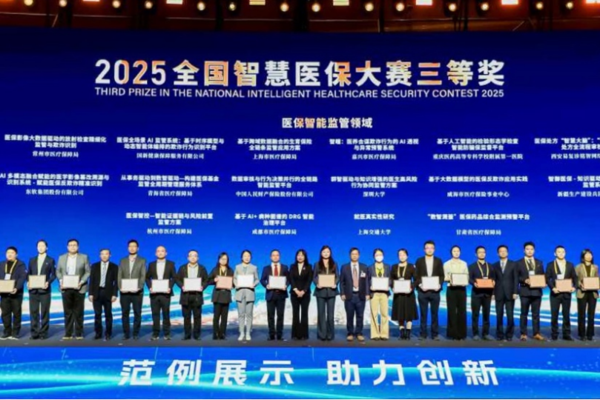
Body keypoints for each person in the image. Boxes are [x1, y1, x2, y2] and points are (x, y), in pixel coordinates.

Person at [57, 239, 90, 340]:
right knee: (68, 312)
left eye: (74, 245)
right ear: (67, 247)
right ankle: (68, 333)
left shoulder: (84, 257)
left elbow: (88, 272)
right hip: (65, 288)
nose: (72, 247)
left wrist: (81, 282)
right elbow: (58, 271)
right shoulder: (61, 257)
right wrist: (61, 281)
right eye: (70, 245)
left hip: (79, 288)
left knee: (78, 312)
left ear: (78, 247)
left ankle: (79, 333)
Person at [415, 240, 444, 340]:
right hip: (422, 291)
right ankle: (423, 334)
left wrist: (439, 285)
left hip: (435, 292)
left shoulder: (438, 261)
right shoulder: (419, 261)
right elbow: (416, 276)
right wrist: (420, 285)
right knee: (423, 314)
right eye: (427, 248)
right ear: (424, 249)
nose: (429, 250)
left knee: (434, 314)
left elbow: (441, 275)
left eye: (431, 248)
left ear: (434, 249)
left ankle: (435, 334)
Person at [117, 240, 147, 340]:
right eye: (130, 246)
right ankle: (126, 333)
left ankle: (135, 333)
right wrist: (120, 287)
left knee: (137, 313)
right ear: (127, 248)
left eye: (134, 246)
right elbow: (119, 275)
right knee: (125, 313)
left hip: (137, 292)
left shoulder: (142, 260)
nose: (132, 248)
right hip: (124, 292)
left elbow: (143, 275)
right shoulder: (122, 260)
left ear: (137, 248)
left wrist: (139, 287)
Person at [176, 250, 208, 341]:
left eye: (195, 256)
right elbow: (177, 279)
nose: (193, 257)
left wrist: (202, 287)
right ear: (188, 257)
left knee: (197, 317)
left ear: (198, 257)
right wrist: (182, 286)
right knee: (186, 317)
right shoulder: (182, 268)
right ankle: (187, 334)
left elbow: (206, 280)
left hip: (197, 296)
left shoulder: (202, 268)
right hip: (186, 295)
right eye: (191, 256)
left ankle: (197, 335)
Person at [545, 245, 576, 341]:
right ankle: (554, 334)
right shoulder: (550, 264)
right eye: (558, 252)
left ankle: (566, 334)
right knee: (554, 315)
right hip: (555, 293)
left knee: (566, 315)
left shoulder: (570, 264)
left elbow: (575, 278)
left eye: (563, 252)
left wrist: (574, 287)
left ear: (565, 253)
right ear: (555, 253)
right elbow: (547, 278)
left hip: (566, 293)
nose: (561, 253)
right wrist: (552, 288)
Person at [27, 239, 56, 340]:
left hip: (45, 291)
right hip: (33, 291)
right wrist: (28, 282)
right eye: (39, 246)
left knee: (44, 312)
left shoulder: (50, 260)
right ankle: (34, 333)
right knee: (33, 312)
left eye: (43, 246)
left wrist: (48, 282)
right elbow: (28, 274)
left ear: (46, 248)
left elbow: (54, 274)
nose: (40, 247)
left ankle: (43, 333)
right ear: (36, 248)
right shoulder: (32, 260)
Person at [147, 246, 176, 341]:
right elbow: (147, 277)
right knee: (155, 314)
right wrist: (150, 287)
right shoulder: (151, 264)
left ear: (166, 253)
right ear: (156, 253)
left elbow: (174, 277)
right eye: (158, 251)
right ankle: (155, 333)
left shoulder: (171, 264)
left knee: (166, 314)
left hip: (166, 293)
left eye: (162, 251)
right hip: (154, 293)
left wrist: (169, 287)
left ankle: (167, 333)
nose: (160, 253)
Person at [340, 247, 369, 343]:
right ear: (350, 255)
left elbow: (367, 282)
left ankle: (359, 333)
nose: (354, 255)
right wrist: (342, 293)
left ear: (359, 255)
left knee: (360, 315)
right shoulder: (344, 267)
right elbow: (342, 282)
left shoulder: (364, 267)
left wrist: (367, 293)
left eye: (356, 254)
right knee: (350, 315)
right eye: (353, 254)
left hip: (361, 295)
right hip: (349, 295)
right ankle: (350, 333)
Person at [517, 241, 545, 341]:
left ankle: (536, 333)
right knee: (524, 313)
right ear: (524, 250)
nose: (529, 251)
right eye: (527, 249)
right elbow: (516, 277)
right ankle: (523, 333)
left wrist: (543, 282)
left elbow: (542, 275)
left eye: (531, 249)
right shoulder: (518, 263)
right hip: (525, 291)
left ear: (534, 250)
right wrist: (524, 280)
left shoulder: (539, 262)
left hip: (537, 292)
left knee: (536, 314)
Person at [88, 249, 118, 341]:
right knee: (97, 314)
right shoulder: (94, 266)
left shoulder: (114, 266)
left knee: (108, 314)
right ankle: (98, 333)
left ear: (110, 255)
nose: (104, 256)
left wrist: (114, 294)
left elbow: (116, 282)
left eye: (106, 254)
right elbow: (91, 280)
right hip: (96, 293)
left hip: (108, 293)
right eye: (102, 254)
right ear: (100, 255)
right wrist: (90, 293)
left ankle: (108, 333)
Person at [261, 249, 289, 341]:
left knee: (280, 315)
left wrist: (286, 285)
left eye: (277, 255)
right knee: (270, 316)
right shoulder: (266, 268)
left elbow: (288, 279)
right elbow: (262, 280)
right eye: (273, 255)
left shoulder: (285, 267)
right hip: (270, 294)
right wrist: (266, 285)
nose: (275, 257)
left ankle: (280, 335)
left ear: (279, 257)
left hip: (281, 294)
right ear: (270, 257)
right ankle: (271, 335)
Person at [492, 245, 519, 342]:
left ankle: (509, 334)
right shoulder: (494, 265)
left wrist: (515, 292)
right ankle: (499, 334)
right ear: (498, 253)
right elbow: (493, 280)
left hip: (510, 293)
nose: (503, 252)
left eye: (504, 251)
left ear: (507, 252)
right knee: (499, 315)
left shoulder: (513, 264)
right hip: (498, 293)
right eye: (501, 251)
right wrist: (493, 293)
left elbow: (516, 279)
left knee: (510, 315)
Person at [391, 249, 418, 340]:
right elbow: (391, 279)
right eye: (400, 255)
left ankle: (408, 332)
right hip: (398, 294)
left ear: (407, 256)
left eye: (403, 255)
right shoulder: (394, 267)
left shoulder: (411, 266)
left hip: (408, 294)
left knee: (409, 313)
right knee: (400, 313)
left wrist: (411, 288)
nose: (402, 256)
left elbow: (417, 279)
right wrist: (392, 287)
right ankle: (402, 332)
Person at [469, 246, 495, 341]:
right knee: (475, 314)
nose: (482, 254)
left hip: (487, 294)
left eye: (483, 252)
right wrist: (474, 283)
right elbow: (469, 278)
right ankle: (475, 334)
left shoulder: (491, 266)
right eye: (479, 252)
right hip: (476, 293)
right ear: (476, 254)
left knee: (486, 315)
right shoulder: (472, 266)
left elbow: (493, 278)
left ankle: (485, 334)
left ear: (485, 253)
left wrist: (493, 283)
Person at [0, 247, 26, 340]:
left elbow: (22, 277)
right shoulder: (2, 264)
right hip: (4, 293)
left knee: (16, 313)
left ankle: (15, 332)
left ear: (16, 254)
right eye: (8, 252)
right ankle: (7, 332)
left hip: (16, 293)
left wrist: (17, 288)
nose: (9, 254)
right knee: (5, 313)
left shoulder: (21, 264)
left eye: (12, 252)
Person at [313, 245, 339, 341]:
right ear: (321, 253)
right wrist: (317, 283)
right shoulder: (317, 264)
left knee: (330, 315)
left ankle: (330, 334)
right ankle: (322, 335)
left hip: (331, 292)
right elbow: (314, 276)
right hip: (320, 292)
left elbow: (337, 276)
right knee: (321, 314)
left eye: (328, 252)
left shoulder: (334, 264)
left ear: (330, 253)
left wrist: (335, 283)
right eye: (324, 252)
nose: (326, 253)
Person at [443, 245, 468, 341]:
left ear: (460, 252)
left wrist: (463, 280)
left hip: (462, 289)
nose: (456, 252)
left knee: (462, 311)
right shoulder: (446, 264)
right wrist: (451, 278)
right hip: (451, 289)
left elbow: (467, 276)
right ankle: (452, 333)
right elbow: (444, 277)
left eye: (458, 251)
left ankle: (461, 334)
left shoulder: (464, 263)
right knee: (451, 311)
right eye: (454, 251)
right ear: (451, 252)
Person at [234, 250, 259, 341]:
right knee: (241, 314)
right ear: (242, 257)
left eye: (248, 256)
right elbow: (234, 279)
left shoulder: (254, 267)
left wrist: (253, 284)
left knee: (249, 314)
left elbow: (257, 279)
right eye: (245, 256)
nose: (247, 257)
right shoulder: (237, 267)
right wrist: (236, 284)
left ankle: (248, 332)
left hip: (250, 293)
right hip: (239, 293)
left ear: (250, 257)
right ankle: (241, 333)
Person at [208, 252, 234, 340]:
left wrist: (232, 285)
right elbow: (208, 280)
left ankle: (222, 333)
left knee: (224, 317)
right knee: (216, 316)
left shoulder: (230, 270)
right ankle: (215, 333)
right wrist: (214, 280)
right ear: (219, 260)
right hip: (217, 295)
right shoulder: (215, 270)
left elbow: (233, 283)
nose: (224, 260)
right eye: (222, 259)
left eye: (225, 259)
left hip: (226, 295)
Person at [289, 249, 313, 341]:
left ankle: (304, 334)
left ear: (305, 257)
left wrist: (303, 291)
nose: (300, 257)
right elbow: (291, 278)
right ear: (296, 256)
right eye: (298, 255)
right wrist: (295, 290)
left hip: (305, 294)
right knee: (295, 313)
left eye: (302, 255)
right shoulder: (292, 266)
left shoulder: (309, 267)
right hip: (294, 293)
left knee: (304, 314)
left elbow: (309, 280)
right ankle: (295, 334)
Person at [576, 249, 598, 341]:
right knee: (581, 314)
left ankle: (590, 334)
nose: (589, 256)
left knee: (591, 314)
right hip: (582, 293)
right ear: (583, 256)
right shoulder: (578, 267)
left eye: (590, 254)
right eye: (587, 254)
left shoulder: (595, 267)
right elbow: (575, 279)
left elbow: (597, 278)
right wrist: (580, 285)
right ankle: (582, 334)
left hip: (593, 293)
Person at [368, 248, 391, 341]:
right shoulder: (370, 267)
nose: (379, 256)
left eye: (380, 254)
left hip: (384, 293)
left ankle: (384, 334)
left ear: (383, 256)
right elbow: (367, 280)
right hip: (374, 293)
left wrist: (388, 285)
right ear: (374, 256)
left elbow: (390, 279)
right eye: (377, 255)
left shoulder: (387, 267)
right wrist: (370, 287)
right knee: (373, 313)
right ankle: (375, 334)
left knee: (384, 313)